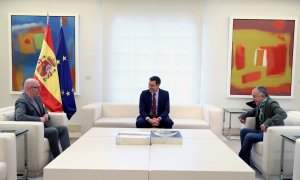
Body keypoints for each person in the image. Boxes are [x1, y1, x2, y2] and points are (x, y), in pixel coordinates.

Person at [15, 78, 70, 158]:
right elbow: (20, 117)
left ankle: (67, 155)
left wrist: (46, 114)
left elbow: (43, 110)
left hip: (43, 128)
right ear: (29, 88)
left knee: (63, 129)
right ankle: (57, 158)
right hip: (33, 130)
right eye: (37, 87)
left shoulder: (37, 98)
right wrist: (39, 119)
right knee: (53, 131)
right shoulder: (21, 101)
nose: (39, 89)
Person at [238, 86, 287, 165]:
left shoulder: (271, 103)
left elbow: (283, 114)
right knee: (243, 131)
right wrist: (244, 116)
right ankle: (244, 157)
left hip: (269, 133)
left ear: (262, 96)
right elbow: (253, 111)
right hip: (261, 131)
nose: (253, 99)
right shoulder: (260, 104)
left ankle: (243, 160)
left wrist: (268, 123)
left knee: (249, 136)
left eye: (254, 96)